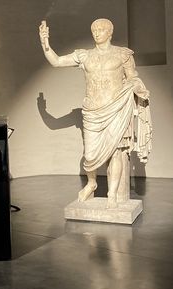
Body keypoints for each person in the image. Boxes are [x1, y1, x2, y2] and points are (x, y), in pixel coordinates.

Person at [39, 18, 152, 209]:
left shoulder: (122, 54)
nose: (97, 33)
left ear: (110, 32)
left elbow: (132, 77)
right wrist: (45, 43)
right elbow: (57, 62)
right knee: (90, 155)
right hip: (92, 111)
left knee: (115, 152)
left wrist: (137, 87)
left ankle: (112, 194)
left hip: (115, 109)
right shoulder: (85, 56)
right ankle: (92, 183)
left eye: (101, 29)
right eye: (94, 30)